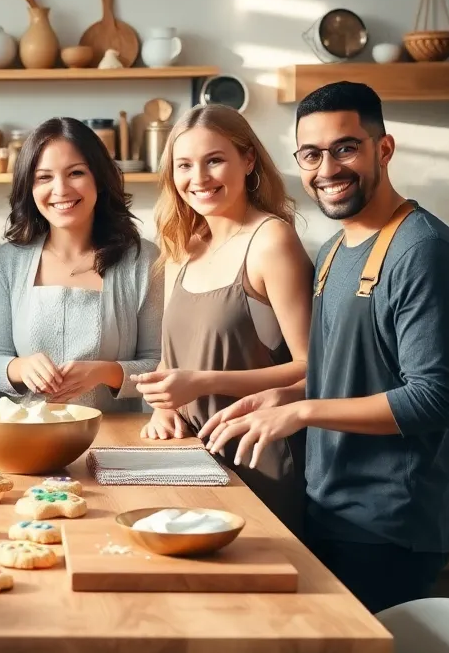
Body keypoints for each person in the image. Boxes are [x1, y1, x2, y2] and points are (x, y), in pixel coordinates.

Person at [199, 81, 449, 613]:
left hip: (388, 523)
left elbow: (434, 399)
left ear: (383, 149)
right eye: (311, 154)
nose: (327, 168)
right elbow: (351, 372)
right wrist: (284, 398)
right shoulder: (332, 250)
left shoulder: (423, 251)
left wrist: (303, 411)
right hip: (332, 505)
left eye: (345, 148)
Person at [131, 104, 314, 534]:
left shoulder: (272, 241)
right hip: (194, 458)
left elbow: (312, 370)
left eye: (214, 160)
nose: (199, 178)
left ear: (248, 160)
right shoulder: (183, 245)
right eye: (184, 165)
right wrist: (164, 407)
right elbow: (171, 361)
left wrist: (204, 382)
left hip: (260, 460)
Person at [0, 117, 162, 411]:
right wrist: (20, 367)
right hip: (27, 437)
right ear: (29, 187)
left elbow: (158, 363)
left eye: (75, 173)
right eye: (44, 177)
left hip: (113, 437)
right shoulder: (10, 259)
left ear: (99, 180)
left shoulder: (143, 259)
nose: (61, 189)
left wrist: (104, 371)